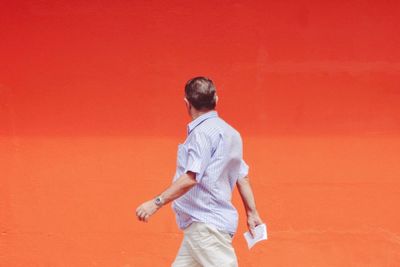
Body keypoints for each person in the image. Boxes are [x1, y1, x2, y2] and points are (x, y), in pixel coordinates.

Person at [136, 77, 263, 267]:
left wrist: (155, 203)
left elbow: (191, 177)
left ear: (186, 103)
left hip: (206, 226)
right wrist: (252, 212)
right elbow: (242, 176)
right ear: (216, 99)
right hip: (202, 228)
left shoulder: (201, 134)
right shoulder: (232, 134)